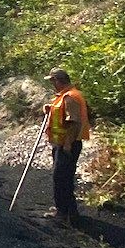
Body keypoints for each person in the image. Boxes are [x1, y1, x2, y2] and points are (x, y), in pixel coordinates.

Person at [43, 67, 90, 226]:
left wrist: (67, 144)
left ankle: (62, 212)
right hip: (61, 143)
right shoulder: (65, 96)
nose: (52, 85)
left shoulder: (71, 97)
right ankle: (70, 211)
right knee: (64, 177)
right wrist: (50, 109)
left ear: (58, 80)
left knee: (61, 177)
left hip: (67, 144)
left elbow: (73, 122)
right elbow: (61, 112)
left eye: (52, 81)